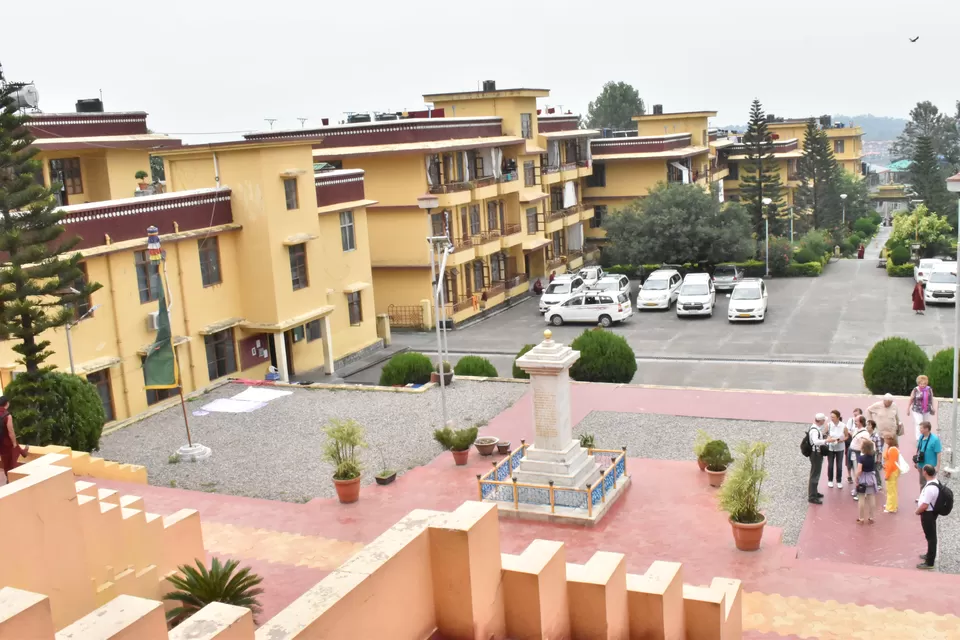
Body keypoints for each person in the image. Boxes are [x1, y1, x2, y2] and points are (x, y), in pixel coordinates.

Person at [916, 465, 940, 570]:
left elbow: (925, 505)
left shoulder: (930, 488)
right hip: (930, 513)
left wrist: (917, 511)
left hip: (927, 514)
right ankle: (929, 554)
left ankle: (930, 562)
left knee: (931, 538)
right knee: (930, 536)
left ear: (925, 472)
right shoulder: (935, 482)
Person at [0, 396, 28, 482]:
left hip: (0, 443)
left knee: (5, 461)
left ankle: (24, 452)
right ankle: (11, 478)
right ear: (7, 403)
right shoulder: (7, 415)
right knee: (12, 460)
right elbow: (11, 431)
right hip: (6, 442)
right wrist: (14, 443)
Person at [855, 440, 878, 524]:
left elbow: (859, 470)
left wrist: (856, 477)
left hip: (863, 479)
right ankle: (871, 517)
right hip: (871, 478)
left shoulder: (861, 458)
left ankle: (861, 518)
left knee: (861, 499)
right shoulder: (873, 456)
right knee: (871, 498)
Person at [914, 421, 942, 490]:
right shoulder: (921, 437)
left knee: (930, 484)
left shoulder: (935, 440)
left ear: (927, 429)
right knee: (922, 483)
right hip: (921, 465)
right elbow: (919, 449)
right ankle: (922, 498)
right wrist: (917, 463)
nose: (920, 430)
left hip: (930, 467)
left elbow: (938, 453)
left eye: (921, 428)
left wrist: (938, 467)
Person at [807, 414, 828, 504]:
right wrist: (826, 441)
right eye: (823, 420)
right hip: (816, 454)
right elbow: (815, 442)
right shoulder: (815, 430)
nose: (824, 422)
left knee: (815, 472)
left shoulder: (814, 428)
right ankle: (812, 496)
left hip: (815, 453)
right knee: (815, 473)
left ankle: (814, 492)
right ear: (820, 421)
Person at [849, 415, 870, 500]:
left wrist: (862, 458)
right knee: (855, 473)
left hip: (859, 454)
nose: (855, 423)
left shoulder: (864, 433)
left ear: (861, 422)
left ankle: (861, 492)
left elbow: (864, 446)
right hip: (853, 453)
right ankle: (857, 489)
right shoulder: (856, 430)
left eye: (856, 421)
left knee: (859, 473)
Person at [908, 376, 936, 441]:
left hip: (927, 409)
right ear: (918, 383)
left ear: (926, 383)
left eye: (924, 384)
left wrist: (933, 407)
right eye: (921, 383)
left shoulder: (929, 389)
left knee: (926, 424)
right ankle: (919, 438)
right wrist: (908, 408)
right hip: (917, 409)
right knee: (919, 423)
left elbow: (931, 398)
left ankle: (926, 437)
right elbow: (911, 399)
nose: (923, 385)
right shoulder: (915, 390)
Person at [825, 410, 846, 489]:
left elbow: (847, 436)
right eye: (831, 417)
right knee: (830, 465)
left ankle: (839, 481)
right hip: (831, 448)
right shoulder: (829, 425)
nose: (832, 418)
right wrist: (828, 437)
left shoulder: (843, 426)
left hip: (840, 448)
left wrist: (841, 440)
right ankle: (830, 480)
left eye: (833, 417)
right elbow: (824, 434)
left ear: (838, 417)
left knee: (839, 465)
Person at [883, 434, 901, 513]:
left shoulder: (892, 449)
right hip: (892, 470)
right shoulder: (892, 448)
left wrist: (887, 475)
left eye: (886, 438)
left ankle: (891, 508)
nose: (885, 440)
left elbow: (891, 464)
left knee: (891, 490)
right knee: (892, 489)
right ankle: (891, 504)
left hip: (892, 471)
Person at [845, 408, 863, 485]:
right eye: (854, 414)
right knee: (848, 459)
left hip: (858, 443)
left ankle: (858, 475)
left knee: (858, 459)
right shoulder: (851, 420)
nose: (855, 416)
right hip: (850, 442)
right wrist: (853, 434)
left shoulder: (862, 421)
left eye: (857, 415)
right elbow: (847, 430)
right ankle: (849, 475)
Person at [867, 419, 884, 491]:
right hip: (866, 454)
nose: (867, 426)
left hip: (874, 455)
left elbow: (879, 448)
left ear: (872, 427)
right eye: (867, 424)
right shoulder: (865, 434)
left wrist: (879, 459)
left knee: (875, 470)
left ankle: (879, 483)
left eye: (869, 425)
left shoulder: (876, 436)